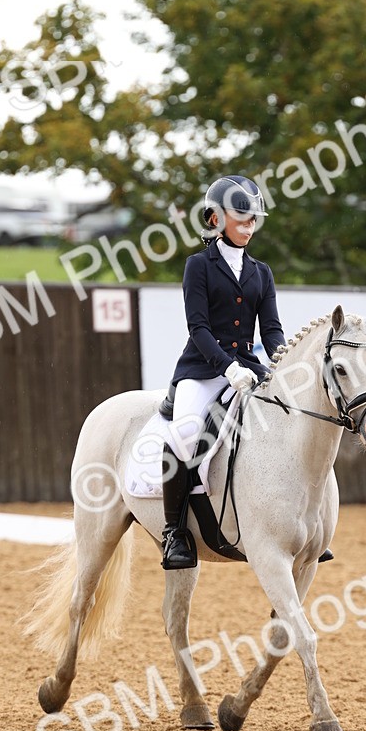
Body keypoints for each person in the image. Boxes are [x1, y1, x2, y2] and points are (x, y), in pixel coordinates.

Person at [160, 174, 287, 570]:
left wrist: (281, 360)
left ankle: (296, 524)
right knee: (183, 436)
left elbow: (270, 329)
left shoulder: (261, 272)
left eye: (253, 220)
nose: (249, 227)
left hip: (248, 368)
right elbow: (197, 328)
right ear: (216, 219)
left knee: (286, 420)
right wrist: (227, 368)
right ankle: (174, 533)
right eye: (241, 218)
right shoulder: (198, 266)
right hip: (202, 370)